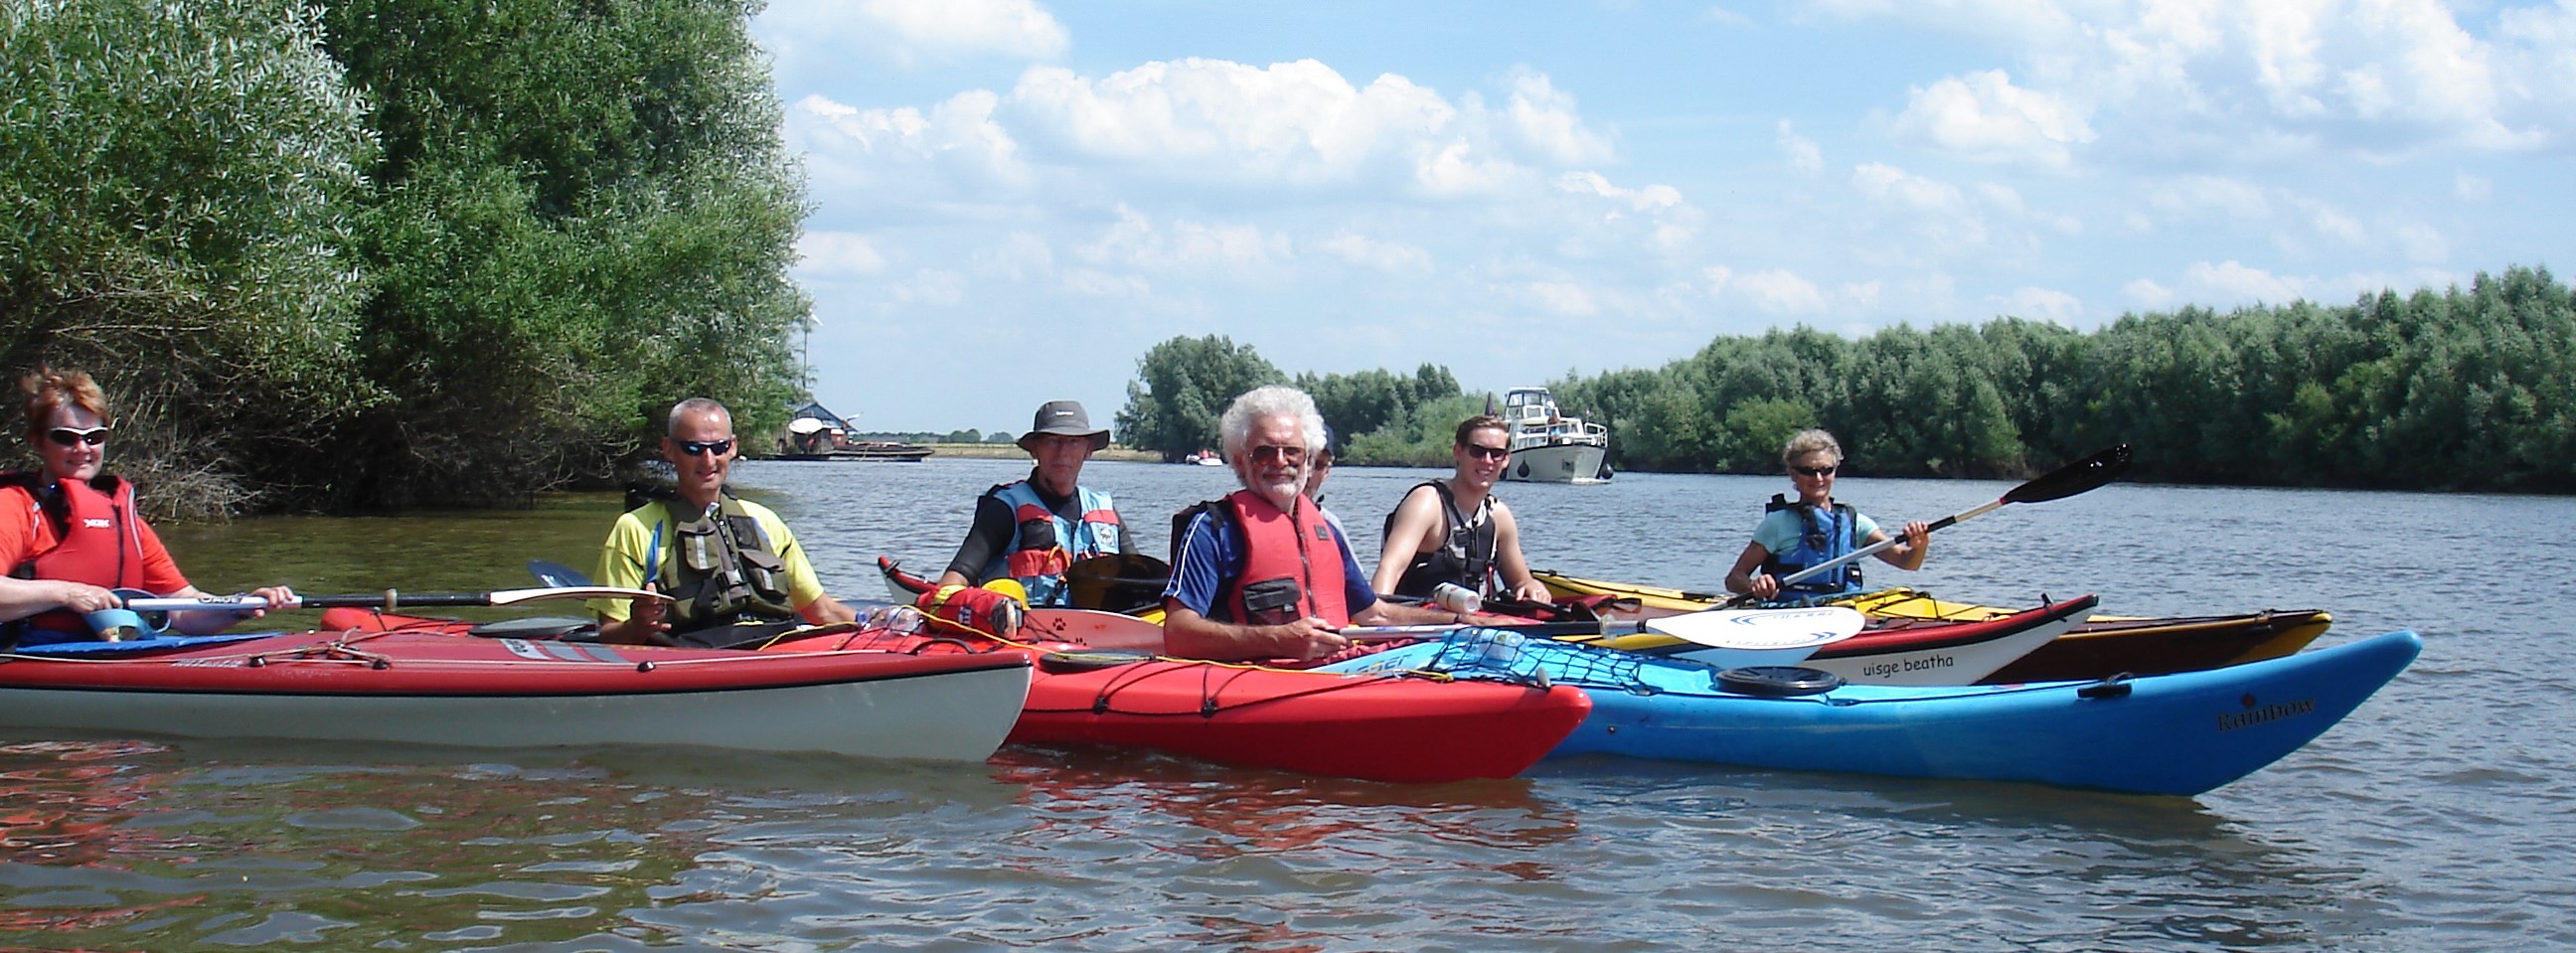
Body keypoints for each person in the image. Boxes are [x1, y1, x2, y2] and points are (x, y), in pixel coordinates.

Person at [1161, 386, 1485, 663]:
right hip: (1258, 680)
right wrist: (1278, 639)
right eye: (1264, 452)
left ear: (1310, 460)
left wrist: (1460, 621)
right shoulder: (1212, 529)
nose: (1280, 462)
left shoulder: (1324, 528)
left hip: (1337, 672)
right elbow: (1178, 633)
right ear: (1241, 460)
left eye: (1293, 452)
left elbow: (1374, 614)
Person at [0, 367, 293, 644]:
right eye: (65, 438)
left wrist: (240, 605)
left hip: (100, 655)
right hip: (27, 656)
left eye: (94, 437)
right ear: (38, 443)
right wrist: (66, 593)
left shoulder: (119, 518)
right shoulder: (14, 506)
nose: (83, 449)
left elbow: (181, 608)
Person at [591, 397, 856, 645]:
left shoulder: (764, 521)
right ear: (669, 449)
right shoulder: (636, 529)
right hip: (690, 661)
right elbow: (609, 634)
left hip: (772, 650)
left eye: (718, 448)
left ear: (732, 447)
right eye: (693, 449)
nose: (708, 460)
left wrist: (876, 622)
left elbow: (822, 610)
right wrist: (638, 626)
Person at [935, 399, 1125, 607]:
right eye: (1052, 441)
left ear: (1088, 450)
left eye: (1073, 442)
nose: (1062, 452)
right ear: (1034, 449)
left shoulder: (1105, 510)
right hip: (1019, 633)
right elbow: (955, 579)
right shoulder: (1004, 509)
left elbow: (1145, 579)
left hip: (1097, 630)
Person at [1723, 428, 1930, 604]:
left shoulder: (1855, 523)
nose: (1818, 478)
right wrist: (1754, 586)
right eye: (1809, 471)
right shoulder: (1778, 523)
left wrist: (1919, 544)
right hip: (1789, 614)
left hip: (1841, 614)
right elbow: (1734, 579)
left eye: (1826, 470)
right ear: (1794, 474)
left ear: (1835, 470)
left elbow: (1907, 562)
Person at [1372, 415, 1551, 604]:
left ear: (1506, 459)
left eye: (1496, 454)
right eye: (1477, 451)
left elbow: (1521, 580)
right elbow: (1390, 567)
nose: (1487, 461)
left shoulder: (1499, 515)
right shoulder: (1427, 502)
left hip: (1475, 623)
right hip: (1418, 622)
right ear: (1458, 452)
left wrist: (1532, 586)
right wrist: (1376, 616)